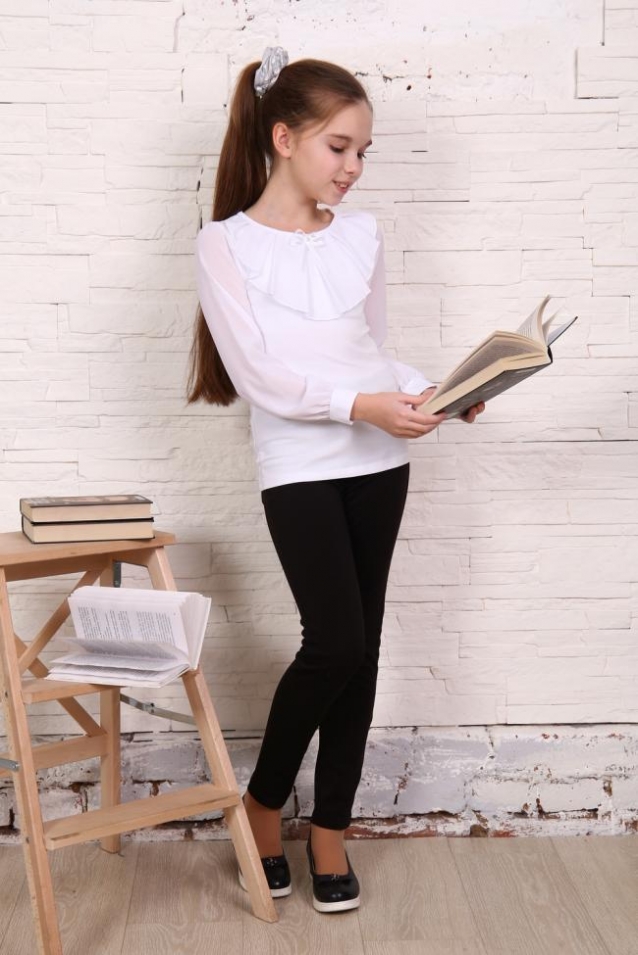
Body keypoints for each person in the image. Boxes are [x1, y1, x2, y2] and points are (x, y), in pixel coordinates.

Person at [187, 47, 484, 914]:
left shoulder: (360, 234)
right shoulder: (225, 244)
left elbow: (369, 349)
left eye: (363, 152)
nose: (353, 167)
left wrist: (441, 390)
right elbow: (261, 376)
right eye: (339, 147)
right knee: (337, 642)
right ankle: (263, 800)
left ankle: (330, 830)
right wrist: (364, 404)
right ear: (284, 138)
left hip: (378, 461)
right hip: (301, 465)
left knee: (364, 650)